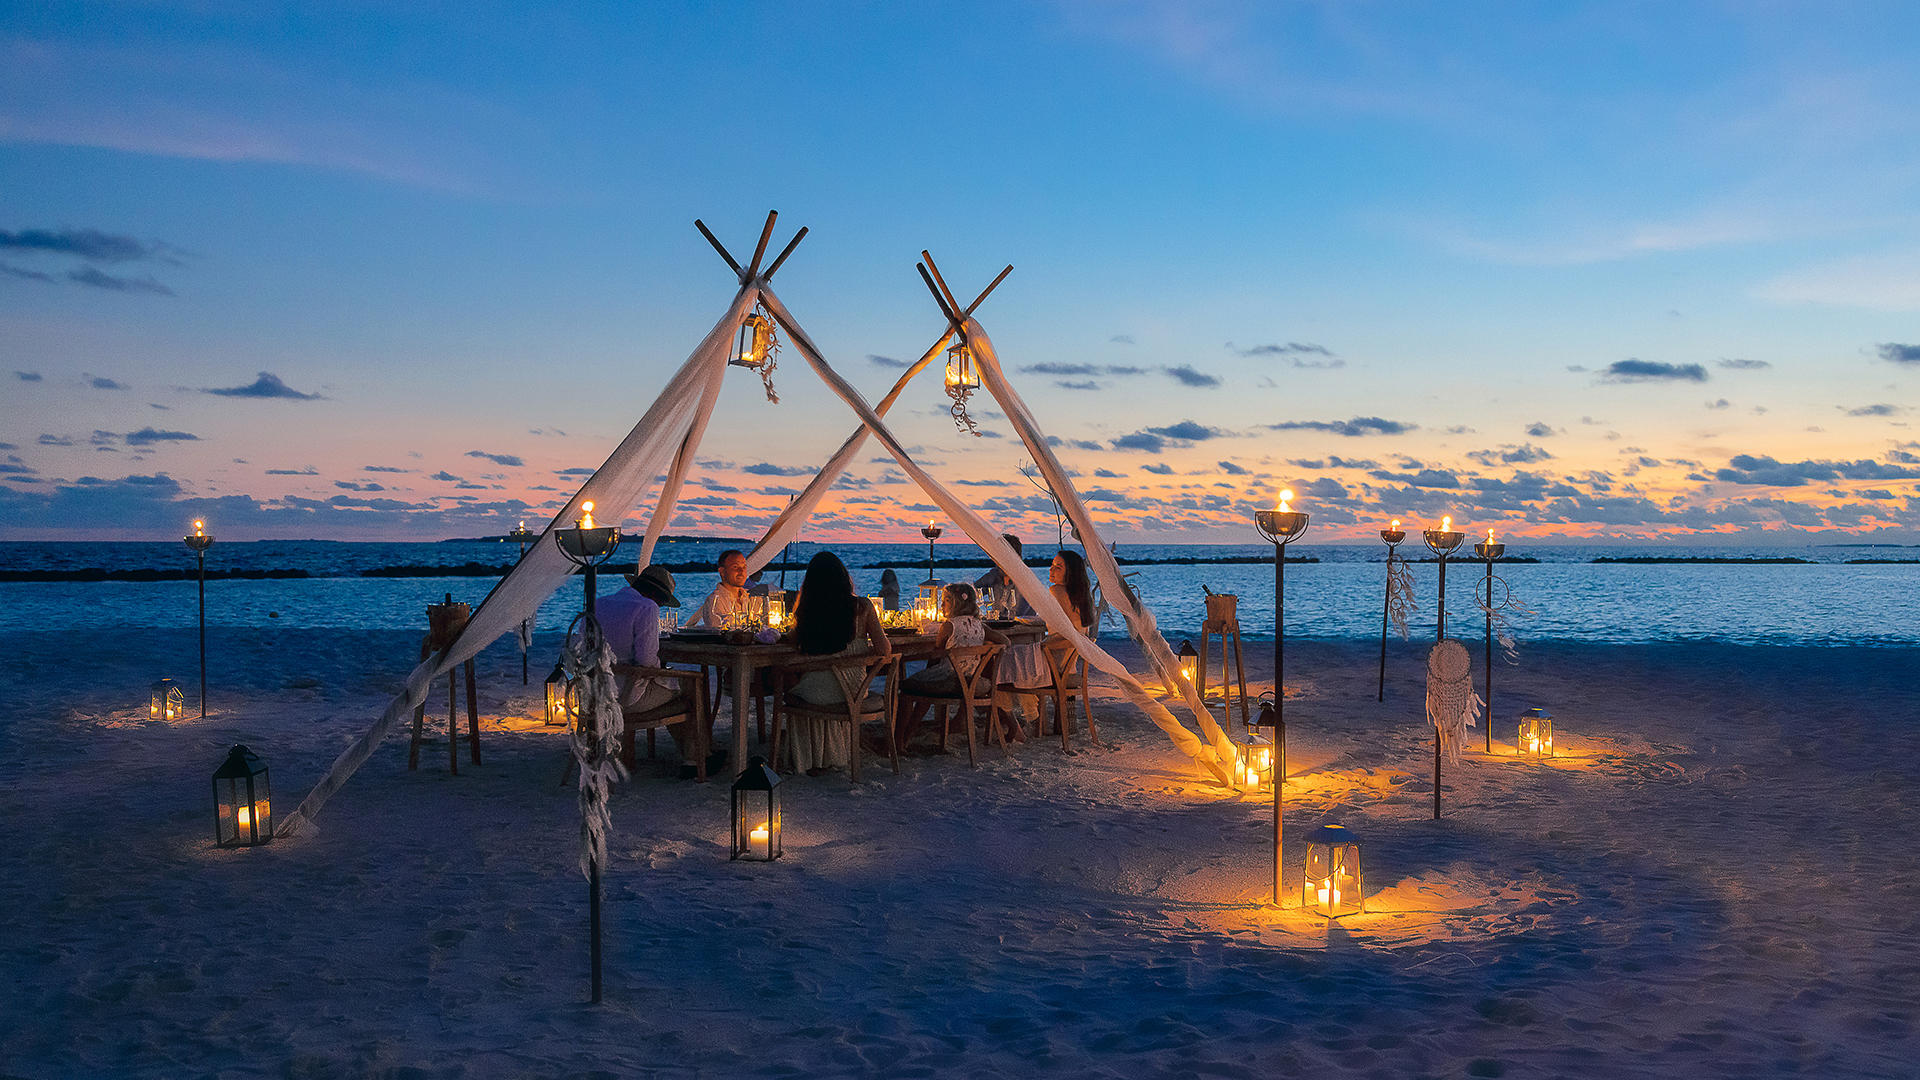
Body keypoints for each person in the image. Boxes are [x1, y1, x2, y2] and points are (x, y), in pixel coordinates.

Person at [592, 565, 721, 777]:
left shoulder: (598, 603)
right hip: (626, 698)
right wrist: (662, 669)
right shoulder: (646, 607)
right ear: (654, 594)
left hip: (595, 696)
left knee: (675, 687)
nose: (660, 606)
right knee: (692, 684)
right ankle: (697, 759)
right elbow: (647, 663)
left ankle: (696, 753)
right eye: (662, 602)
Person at [784, 551, 892, 776]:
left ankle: (811, 756)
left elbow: (793, 642)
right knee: (813, 684)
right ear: (844, 577)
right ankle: (833, 753)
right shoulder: (862, 606)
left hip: (816, 695)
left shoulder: (808, 609)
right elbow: (884, 650)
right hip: (855, 690)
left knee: (789, 684)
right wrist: (858, 653)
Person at [899, 582, 1010, 745]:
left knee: (907, 688)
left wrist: (916, 667)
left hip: (951, 680)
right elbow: (1005, 641)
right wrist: (985, 647)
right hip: (970, 678)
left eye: (947, 600)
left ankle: (900, 738)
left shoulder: (948, 626)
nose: (941, 604)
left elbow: (935, 657)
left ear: (958, 603)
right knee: (926, 689)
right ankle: (906, 737)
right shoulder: (980, 626)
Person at [997, 549, 1097, 729]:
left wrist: (1042, 645)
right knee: (1013, 661)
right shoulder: (1081, 598)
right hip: (1068, 665)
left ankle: (1026, 720)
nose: (1051, 570)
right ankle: (1032, 718)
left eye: (1058, 567)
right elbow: (1075, 629)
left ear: (1070, 573)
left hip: (1053, 664)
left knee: (998, 665)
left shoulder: (1056, 590)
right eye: (1052, 565)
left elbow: (1068, 632)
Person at [973, 534, 1036, 618]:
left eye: (1001, 556)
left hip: (1022, 625)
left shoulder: (1025, 583)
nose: (996, 560)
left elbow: (1015, 615)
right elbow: (972, 592)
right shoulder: (994, 575)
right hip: (999, 624)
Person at [691, 548, 751, 628]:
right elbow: (717, 632)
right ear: (722, 571)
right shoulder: (714, 602)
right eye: (735, 567)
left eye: (744, 567)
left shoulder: (750, 597)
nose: (741, 571)